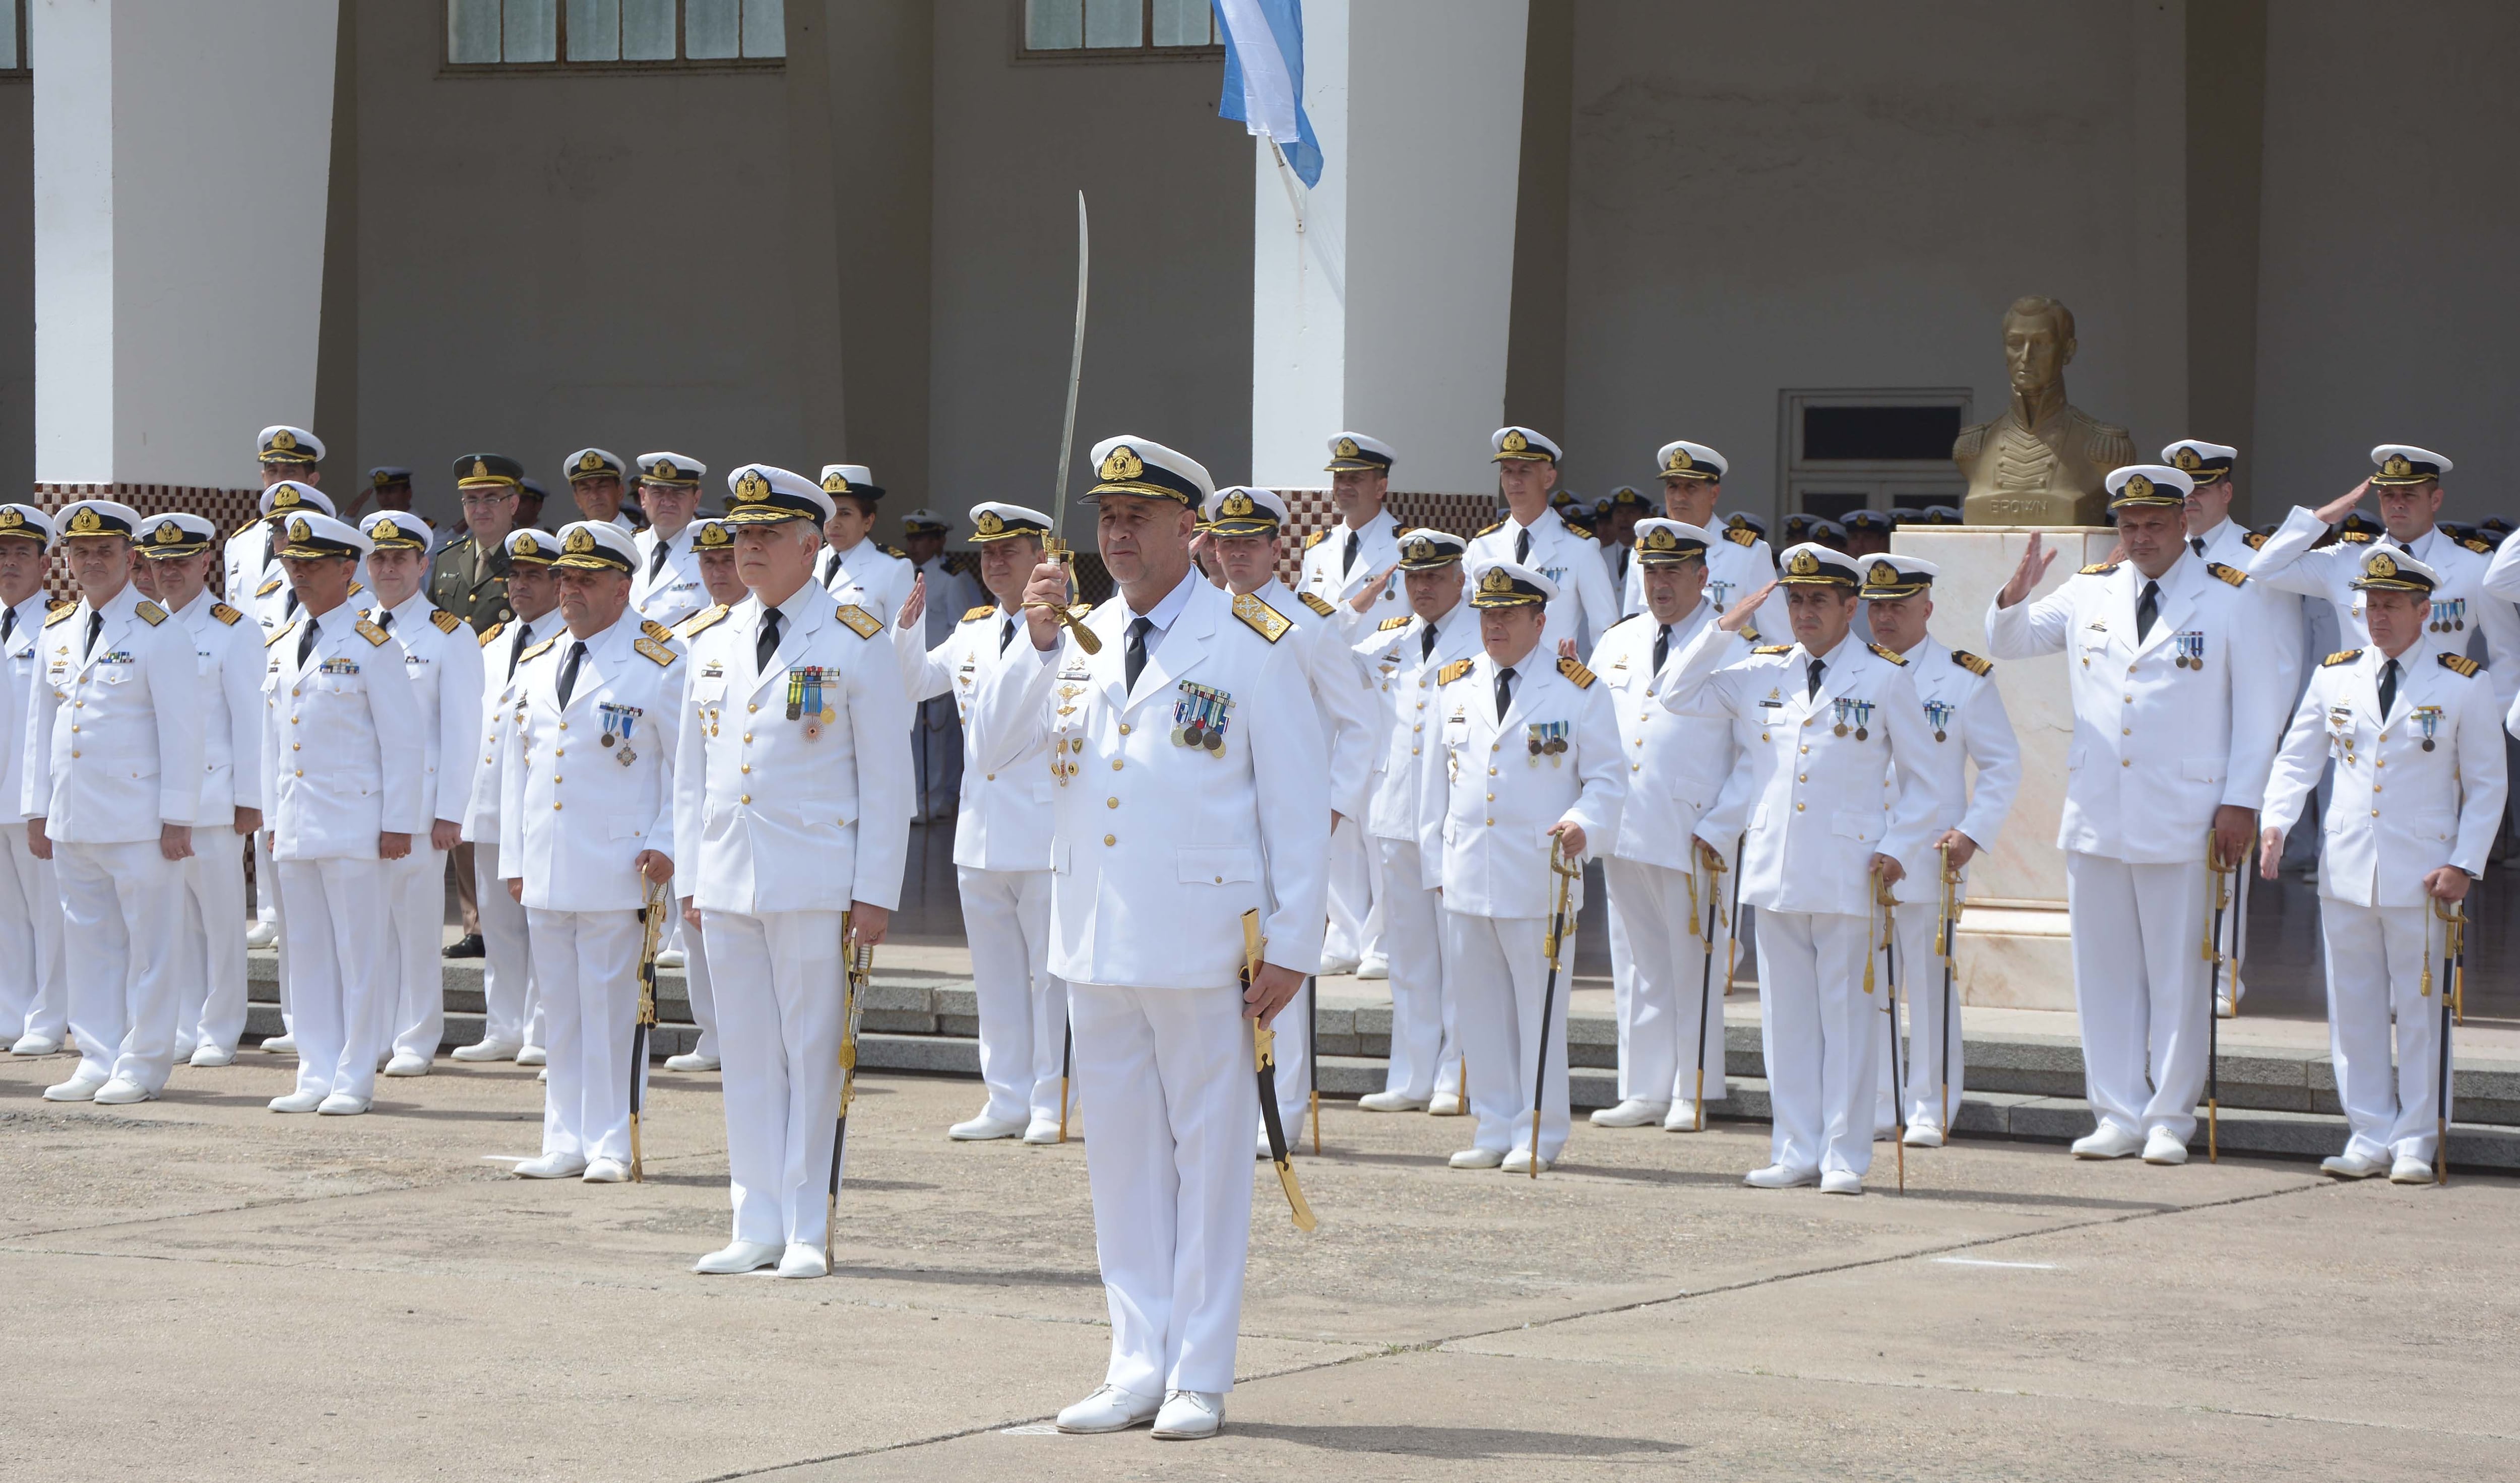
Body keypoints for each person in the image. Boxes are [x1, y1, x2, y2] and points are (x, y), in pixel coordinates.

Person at [970, 434, 1326, 1442]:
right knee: (1120, 1163)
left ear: (1190, 530)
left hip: (1207, 936)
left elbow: (1296, 801)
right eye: (1105, 517)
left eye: (1138, 517)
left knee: (1211, 1160)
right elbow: (996, 752)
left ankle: (1199, 1371)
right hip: (1095, 935)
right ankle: (1135, 1360)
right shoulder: (1070, 636)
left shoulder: (1250, 639)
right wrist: (1033, 641)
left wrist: (1295, 937)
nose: (1116, 532)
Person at [1986, 465, 2285, 1164]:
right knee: (2104, 970)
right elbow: (2012, 642)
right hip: (2097, 809)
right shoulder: (2090, 590)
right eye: (2130, 525)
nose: (2142, 537)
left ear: (2185, 521)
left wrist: (2241, 801)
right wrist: (2012, 594)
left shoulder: (2229, 599)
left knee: (2181, 971)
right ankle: (2116, 1110)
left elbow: (2259, 712)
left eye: (2155, 524)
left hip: (2187, 812)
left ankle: (2169, 1116)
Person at [676, 464, 912, 1279]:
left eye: (767, 534)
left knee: (813, 1052)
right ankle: (757, 1219)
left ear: (812, 544)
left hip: (815, 878)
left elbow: (887, 776)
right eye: (741, 534)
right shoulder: (711, 640)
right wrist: (691, 879)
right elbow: (689, 773)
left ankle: (809, 1222)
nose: (747, 548)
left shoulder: (854, 637)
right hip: (729, 876)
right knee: (744, 1051)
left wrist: (875, 890)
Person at [1659, 544, 1936, 1194]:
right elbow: (1674, 692)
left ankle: (1844, 1154)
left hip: (1850, 868)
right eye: (1796, 600)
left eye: (1819, 600)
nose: (1805, 612)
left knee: (1847, 1020)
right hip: (1777, 867)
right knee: (1787, 1023)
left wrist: (1901, 844)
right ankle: (1794, 1149)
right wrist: (1721, 628)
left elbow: (1926, 783)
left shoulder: (1885, 676)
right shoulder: (1761, 672)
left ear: (1851, 606)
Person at [2259, 548, 2503, 1184]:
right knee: (2354, 1008)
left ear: (2425, 611)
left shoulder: (2461, 682)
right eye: (2370, 605)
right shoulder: (2334, 674)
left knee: (2421, 1013)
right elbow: (2296, 759)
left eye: (2391, 605)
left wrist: (2463, 864)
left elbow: (2486, 786)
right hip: (2346, 869)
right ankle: (2367, 1132)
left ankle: (2417, 1139)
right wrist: (2276, 822)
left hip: (2425, 875)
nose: (2377, 617)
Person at [1419, 559, 1623, 1174]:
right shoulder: (1454, 685)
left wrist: (1582, 824)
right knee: (1477, 1011)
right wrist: (1436, 866)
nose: (1494, 626)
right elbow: (1431, 790)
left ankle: (1539, 1129)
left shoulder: (1577, 689)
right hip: (1467, 875)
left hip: (1540, 877)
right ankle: (1493, 1123)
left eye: (1507, 615)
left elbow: (1609, 780)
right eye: (1487, 614)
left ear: (1540, 620)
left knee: (1537, 1013)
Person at [498, 521, 682, 1181]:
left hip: (619, 864)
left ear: (621, 585)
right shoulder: (538, 660)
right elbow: (517, 769)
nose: (569, 590)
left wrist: (667, 841)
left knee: (612, 1011)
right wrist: (514, 859)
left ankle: (612, 1140)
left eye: (585, 578)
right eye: (564, 577)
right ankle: (564, 1138)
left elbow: (688, 765)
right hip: (548, 863)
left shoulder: (662, 660)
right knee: (560, 1010)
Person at [1197, 486, 1380, 1144]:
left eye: (1251, 540)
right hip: (1215, 828)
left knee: (1284, 957)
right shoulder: (1198, 619)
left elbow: (1362, 725)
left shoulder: (1310, 623)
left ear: (1278, 547)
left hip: (1285, 827)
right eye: (1227, 540)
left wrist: (1330, 809)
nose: (1237, 552)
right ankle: (1224, 1105)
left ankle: (1282, 1115)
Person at [893, 501, 1071, 1142]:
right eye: (988, 554)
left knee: (1050, 978)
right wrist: (906, 631)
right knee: (996, 976)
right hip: (981, 828)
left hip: (1044, 826)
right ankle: (1005, 1096)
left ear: (1040, 560)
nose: (995, 563)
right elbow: (915, 683)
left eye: (1009, 553)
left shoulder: (1071, 632)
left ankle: (1049, 1100)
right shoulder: (970, 630)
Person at [21, 500, 204, 1105]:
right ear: (67, 561)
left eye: (105, 550)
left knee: (152, 949)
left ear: (132, 558)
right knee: (89, 943)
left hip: (140, 820)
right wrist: (37, 809)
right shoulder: (58, 630)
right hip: (75, 816)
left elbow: (184, 731)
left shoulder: (159, 631)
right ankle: (97, 1057)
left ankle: (144, 1063)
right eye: (82, 551)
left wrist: (179, 818)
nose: (92, 561)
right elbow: (40, 727)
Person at [260, 512, 426, 1116]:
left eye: (312, 563)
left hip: (357, 824)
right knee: (305, 951)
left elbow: (403, 741)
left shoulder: (372, 644)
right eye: (293, 562)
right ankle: (314, 1069)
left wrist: (397, 822)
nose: (299, 573)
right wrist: (272, 818)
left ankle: (355, 1073)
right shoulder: (281, 643)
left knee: (360, 955)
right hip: (298, 821)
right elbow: (272, 742)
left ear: (345, 569)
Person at [1587, 521, 1749, 1133]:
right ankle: (1644, 1087)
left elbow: (1753, 755)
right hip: (1625, 821)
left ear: (1702, 577)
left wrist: (1723, 825)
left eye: (1672, 571)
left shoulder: (1733, 644)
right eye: (1650, 571)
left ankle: (1693, 1086)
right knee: (1636, 963)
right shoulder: (1619, 640)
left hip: (1693, 829)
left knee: (1694, 960)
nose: (1659, 583)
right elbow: (1597, 729)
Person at [1856, 554, 2020, 1146]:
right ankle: (1876, 1100)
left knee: (1927, 983)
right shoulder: (1852, 670)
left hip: (1929, 853)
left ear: (1926, 609)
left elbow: (2001, 764)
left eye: (1897, 607)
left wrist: (1972, 832)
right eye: (1875, 607)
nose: (1884, 618)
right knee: (1866, 982)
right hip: (1859, 851)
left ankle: (1929, 1104)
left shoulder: (1961, 678)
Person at [2167, 438, 2301, 1013]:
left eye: (2201, 489)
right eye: (2182, 490)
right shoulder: (2157, 554)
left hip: (2229, 736)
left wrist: (2260, 747)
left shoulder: (2258, 558)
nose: (2190, 500)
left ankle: (2222, 978)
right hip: (2165, 739)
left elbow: (2283, 661)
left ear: (2225, 492)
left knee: (2224, 860)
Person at [1349, 530, 1479, 1115]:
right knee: (1406, 953)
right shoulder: (1388, 639)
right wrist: (1358, 601)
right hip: (1395, 808)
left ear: (1460, 579)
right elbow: (1323, 656)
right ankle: (1411, 1072)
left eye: (1434, 576)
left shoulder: (1484, 637)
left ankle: (1457, 1072)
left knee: (1460, 955)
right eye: (1413, 577)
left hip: (1458, 816)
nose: (1422, 588)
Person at [132, 514, 265, 1068]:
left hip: (213, 802)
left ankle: (220, 1027)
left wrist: (250, 799)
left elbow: (250, 718)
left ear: (205, 563)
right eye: (159, 564)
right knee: (171, 923)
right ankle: (183, 1024)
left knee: (220, 921)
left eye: (181, 562)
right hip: (155, 803)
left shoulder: (233, 628)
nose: (170, 574)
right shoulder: (141, 625)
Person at [359, 511, 484, 1077]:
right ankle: (375, 1034)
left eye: (399, 559)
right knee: (369, 933)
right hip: (361, 806)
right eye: (379, 559)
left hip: (417, 812)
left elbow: (462, 732)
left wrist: (449, 813)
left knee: (414, 931)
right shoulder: (355, 627)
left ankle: (415, 1037)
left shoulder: (447, 635)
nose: (388, 569)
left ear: (423, 565)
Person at [2264, 446, 2519, 720]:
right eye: (2389, 495)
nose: (2398, 503)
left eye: (2409, 495)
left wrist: (2483, 722)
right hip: (2359, 727)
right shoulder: (2346, 560)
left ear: (2435, 500)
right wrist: (2322, 518)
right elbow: (2266, 569)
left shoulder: (2474, 565)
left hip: (2438, 728)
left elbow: (2509, 654)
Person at [452, 526, 565, 1066]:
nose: (519, 586)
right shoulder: (493, 644)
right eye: (514, 576)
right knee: (497, 927)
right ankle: (503, 1025)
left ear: (557, 581)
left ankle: (542, 1029)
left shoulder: (567, 642)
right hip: (491, 802)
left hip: (540, 807)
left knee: (541, 926)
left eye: (533, 576)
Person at [661, 515, 748, 1073]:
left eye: (725, 560)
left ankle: (741, 1037)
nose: (717, 572)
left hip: (747, 801)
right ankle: (712, 1033)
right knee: (695, 929)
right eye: (707, 562)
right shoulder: (687, 636)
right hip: (695, 798)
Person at [0, 506, 67, 1057]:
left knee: (48, 914)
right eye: (1, 553)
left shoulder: (58, 625)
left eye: (22, 553)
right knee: (6, 916)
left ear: (45, 563)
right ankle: (10, 1011)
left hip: (33, 798)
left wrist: (42, 802)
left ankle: (48, 1017)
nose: (9, 564)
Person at [1467, 427, 1622, 657]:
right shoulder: (1482, 546)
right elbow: (1463, 622)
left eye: (1525, 471)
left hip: (1554, 683)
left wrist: (1589, 685)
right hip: (1493, 684)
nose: (1515, 480)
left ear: (1548, 478)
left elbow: (1606, 632)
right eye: (1508, 471)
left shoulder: (1580, 549)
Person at [1625, 442, 1789, 643]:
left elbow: (1780, 639)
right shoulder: (1643, 551)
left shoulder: (1747, 553)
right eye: (1673, 486)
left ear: (1713, 494)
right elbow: (1631, 629)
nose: (1679, 497)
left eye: (1690, 487)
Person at [900, 507, 981, 824]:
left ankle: (938, 797)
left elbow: (962, 624)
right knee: (913, 740)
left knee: (939, 739)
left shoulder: (953, 577)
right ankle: (919, 796)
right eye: (911, 538)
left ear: (939, 541)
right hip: (912, 668)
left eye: (922, 539)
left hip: (942, 669)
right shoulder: (902, 572)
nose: (915, 545)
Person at [1299, 431, 1408, 632]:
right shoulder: (1318, 548)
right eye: (1338, 478)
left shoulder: (1406, 549)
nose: (1343, 486)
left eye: (1355, 478)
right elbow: (1302, 616)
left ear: (1381, 488)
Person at [223, 426, 326, 606]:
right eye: (272, 471)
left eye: (290, 471)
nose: (279, 481)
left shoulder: (332, 541)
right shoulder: (239, 542)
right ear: (263, 477)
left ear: (312, 480)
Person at [431, 454, 528, 634]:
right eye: (472, 500)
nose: (481, 509)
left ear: (513, 504)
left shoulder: (530, 559)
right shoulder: (447, 559)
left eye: (491, 499)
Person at [815, 464, 915, 623]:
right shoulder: (807, 562)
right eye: (829, 514)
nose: (834, 523)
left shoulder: (892, 569)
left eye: (844, 514)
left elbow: (903, 640)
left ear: (868, 521)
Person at [630, 453, 711, 629]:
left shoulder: (712, 554)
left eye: (678, 493)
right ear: (643, 498)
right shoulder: (628, 549)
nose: (667, 501)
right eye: (658, 492)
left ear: (695, 499)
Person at [1593, 487, 1652, 595]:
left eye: (1631, 513)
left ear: (1645, 518)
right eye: (1619, 512)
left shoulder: (1652, 557)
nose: (1624, 519)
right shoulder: (1599, 556)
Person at [562, 448, 634, 531]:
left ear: (620, 492)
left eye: (602, 487)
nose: (594, 496)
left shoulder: (641, 541)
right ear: (577, 499)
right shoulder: (569, 542)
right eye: (586, 489)